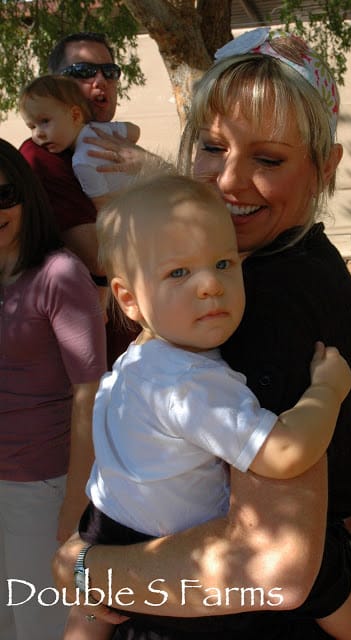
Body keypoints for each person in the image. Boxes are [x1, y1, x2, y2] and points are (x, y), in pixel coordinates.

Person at [53, 28, 351, 640]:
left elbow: (272, 565)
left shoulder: (258, 298)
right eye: (211, 148)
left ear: (325, 168)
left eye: (268, 159)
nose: (229, 182)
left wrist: (85, 570)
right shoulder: (255, 267)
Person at [63, 173, 351, 639]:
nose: (210, 286)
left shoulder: (133, 363)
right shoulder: (190, 383)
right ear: (128, 298)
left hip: (107, 529)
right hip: (173, 563)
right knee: (314, 561)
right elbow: (284, 453)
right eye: (179, 272)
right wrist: (328, 390)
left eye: (223, 263)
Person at [0, 138, 107, 640]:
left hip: (41, 485)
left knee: (41, 624)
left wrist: (73, 499)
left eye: (5, 196)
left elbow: (90, 392)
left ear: (26, 196)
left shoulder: (59, 275)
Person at [19, 32, 146, 367]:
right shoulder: (40, 156)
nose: (100, 80)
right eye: (83, 71)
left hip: (144, 344)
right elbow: (100, 258)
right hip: (93, 362)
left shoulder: (109, 140)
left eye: (109, 71)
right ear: (54, 84)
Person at [19, 75, 141, 212]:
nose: (38, 134)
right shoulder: (101, 129)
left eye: (45, 121)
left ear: (75, 115)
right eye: (32, 127)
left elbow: (104, 207)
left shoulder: (82, 161)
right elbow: (135, 131)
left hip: (138, 210)